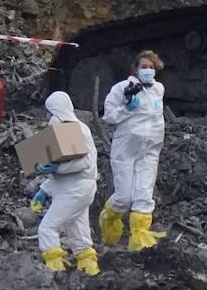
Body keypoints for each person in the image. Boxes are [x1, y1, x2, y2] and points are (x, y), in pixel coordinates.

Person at [100, 50, 167, 252]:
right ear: (135, 69)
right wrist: (126, 108)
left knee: (144, 196)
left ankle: (139, 242)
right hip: (125, 149)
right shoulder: (122, 88)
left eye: (151, 67)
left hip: (150, 149)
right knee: (124, 197)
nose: (148, 70)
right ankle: (108, 220)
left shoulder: (159, 89)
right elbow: (108, 116)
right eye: (143, 67)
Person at [29, 91, 100, 275]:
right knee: (78, 230)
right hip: (73, 189)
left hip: (78, 189)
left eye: (50, 112)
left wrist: (56, 169)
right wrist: (44, 189)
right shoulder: (60, 130)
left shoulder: (79, 129)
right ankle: (89, 268)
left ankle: (54, 269)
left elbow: (85, 164)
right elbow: (59, 168)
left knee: (48, 228)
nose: (48, 116)